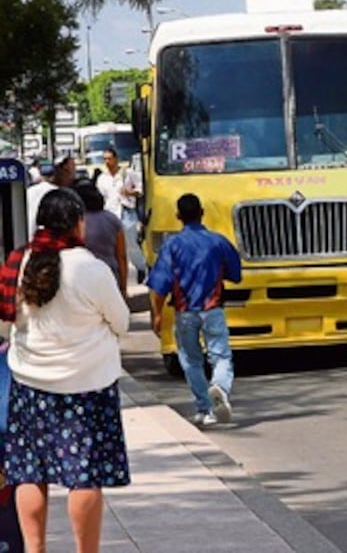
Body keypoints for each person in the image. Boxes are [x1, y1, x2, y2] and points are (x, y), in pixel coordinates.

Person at [0, 187, 130, 553]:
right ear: (76, 222)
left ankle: (35, 549)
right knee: (83, 475)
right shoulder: (90, 268)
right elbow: (120, 323)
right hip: (86, 388)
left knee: (28, 472)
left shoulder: (20, 261)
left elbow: (9, 317)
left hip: (29, 386)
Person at [146, 193, 242, 427]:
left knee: (191, 360)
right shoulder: (218, 241)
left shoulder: (172, 246)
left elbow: (160, 284)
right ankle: (219, 386)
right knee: (221, 356)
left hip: (185, 311)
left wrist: (157, 314)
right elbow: (236, 274)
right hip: (214, 309)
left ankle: (205, 409)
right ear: (202, 213)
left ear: (178, 216)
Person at [96, 146, 146, 282]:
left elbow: (141, 188)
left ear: (116, 159)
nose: (107, 162)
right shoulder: (102, 178)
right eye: (105, 159)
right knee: (112, 245)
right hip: (110, 213)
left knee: (131, 244)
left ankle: (141, 268)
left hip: (126, 212)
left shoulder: (127, 173)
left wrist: (131, 192)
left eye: (109, 159)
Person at [76, 181, 128, 296]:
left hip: (82, 277)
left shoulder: (76, 222)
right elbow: (121, 256)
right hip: (110, 276)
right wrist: (123, 287)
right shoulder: (113, 220)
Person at [25, 152, 76, 239]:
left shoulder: (69, 194)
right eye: (68, 171)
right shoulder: (64, 195)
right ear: (59, 170)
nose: (72, 177)